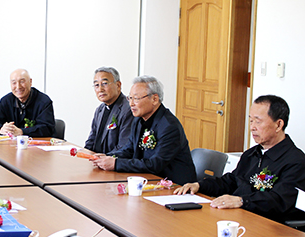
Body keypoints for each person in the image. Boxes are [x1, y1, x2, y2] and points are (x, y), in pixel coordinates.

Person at [174, 95, 305, 225]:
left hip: (267, 226)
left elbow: (280, 200)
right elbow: (231, 181)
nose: (252, 127)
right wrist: (199, 185)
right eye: (251, 121)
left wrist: (242, 201)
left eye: (258, 122)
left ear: (279, 125)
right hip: (238, 217)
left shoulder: (296, 161)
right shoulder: (251, 154)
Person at [91, 75, 197, 185]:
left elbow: (155, 164)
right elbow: (129, 149)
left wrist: (116, 163)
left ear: (155, 99)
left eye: (136, 99)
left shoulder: (169, 126)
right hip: (148, 180)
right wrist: (108, 157)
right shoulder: (139, 120)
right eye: (130, 98)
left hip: (175, 187)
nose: (131, 104)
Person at [0, 69, 55, 137]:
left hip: (36, 146)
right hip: (11, 146)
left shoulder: (44, 101)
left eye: (22, 81)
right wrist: (1, 129)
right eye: (14, 83)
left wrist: (21, 132)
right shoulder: (6, 100)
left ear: (30, 82)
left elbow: (47, 128)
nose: (18, 87)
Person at [84, 67, 133, 153]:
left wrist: (104, 159)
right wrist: (83, 154)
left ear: (118, 85)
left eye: (104, 83)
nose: (100, 89)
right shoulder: (99, 110)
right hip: (95, 160)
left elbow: (124, 147)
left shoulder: (128, 110)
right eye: (96, 85)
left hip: (112, 163)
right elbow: (91, 140)